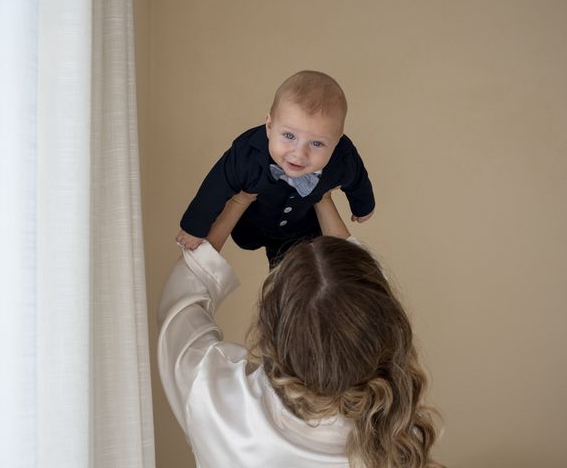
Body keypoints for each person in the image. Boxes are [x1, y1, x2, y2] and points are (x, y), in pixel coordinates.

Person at [158, 189, 444, 467]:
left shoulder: (215, 399)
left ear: (269, 327)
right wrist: (322, 198)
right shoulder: (397, 436)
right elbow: (368, 299)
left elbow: (181, 305)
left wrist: (238, 200)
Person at [176, 70, 375, 267]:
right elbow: (216, 185)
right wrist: (194, 227)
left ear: (337, 141)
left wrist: (363, 206)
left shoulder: (343, 159)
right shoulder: (248, 152)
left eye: (316, 144)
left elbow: (358, 178)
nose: (299, 154)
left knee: (293, 268)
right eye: (289, 136)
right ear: (269, 126)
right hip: (251, 223)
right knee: (238, 236)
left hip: (300, 228)